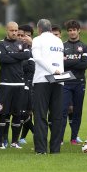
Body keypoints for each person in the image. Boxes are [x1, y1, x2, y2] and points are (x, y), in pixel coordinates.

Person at [0, 21, 30, 149]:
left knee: (17, 114)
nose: (14, 33)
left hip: (20, 84)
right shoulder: (0, 43)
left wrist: (11, 56)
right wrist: (18, 57)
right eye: (12, 30)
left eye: (16, 30)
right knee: (2, 114)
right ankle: (1, 141)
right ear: (7, 30)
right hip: (6, 84)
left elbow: (27, 55)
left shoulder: (22, 43)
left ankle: (14, 142)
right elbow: (2, 59)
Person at [32, 19, 64, 154]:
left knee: (40, 116)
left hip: (42, 80)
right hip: (59, 80)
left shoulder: (37, 40)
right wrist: (58, 73)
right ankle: (55, 150)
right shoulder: (58, 41)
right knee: (57, 116)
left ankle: (41, 149)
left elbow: (37, 58)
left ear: (39, 29)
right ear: (50, 29)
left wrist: (51, 70)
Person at [61, 20, 87, 145]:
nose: (72, 32)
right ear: (68, 32)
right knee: (63, 110)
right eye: (70, 30)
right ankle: (60, 138)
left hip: (79, 82)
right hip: (65, 82)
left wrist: (68, 62)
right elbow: (61, 64)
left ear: (79, 30)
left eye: (74, 30)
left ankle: (74, 138)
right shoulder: (62, 46)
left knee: (77, 110)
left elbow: (84, 65)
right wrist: (77, 61)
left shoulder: (85, 47)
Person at [17, 24, 35, 144]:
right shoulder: (18, 48)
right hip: (19, 83)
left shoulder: (36, 50)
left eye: (27, 36)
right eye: (22, 35)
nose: (24, 38)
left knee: (28, 111)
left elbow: (32, 67)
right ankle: (34, 133)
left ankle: (23, 137)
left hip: (33, 83)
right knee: (20, 112)